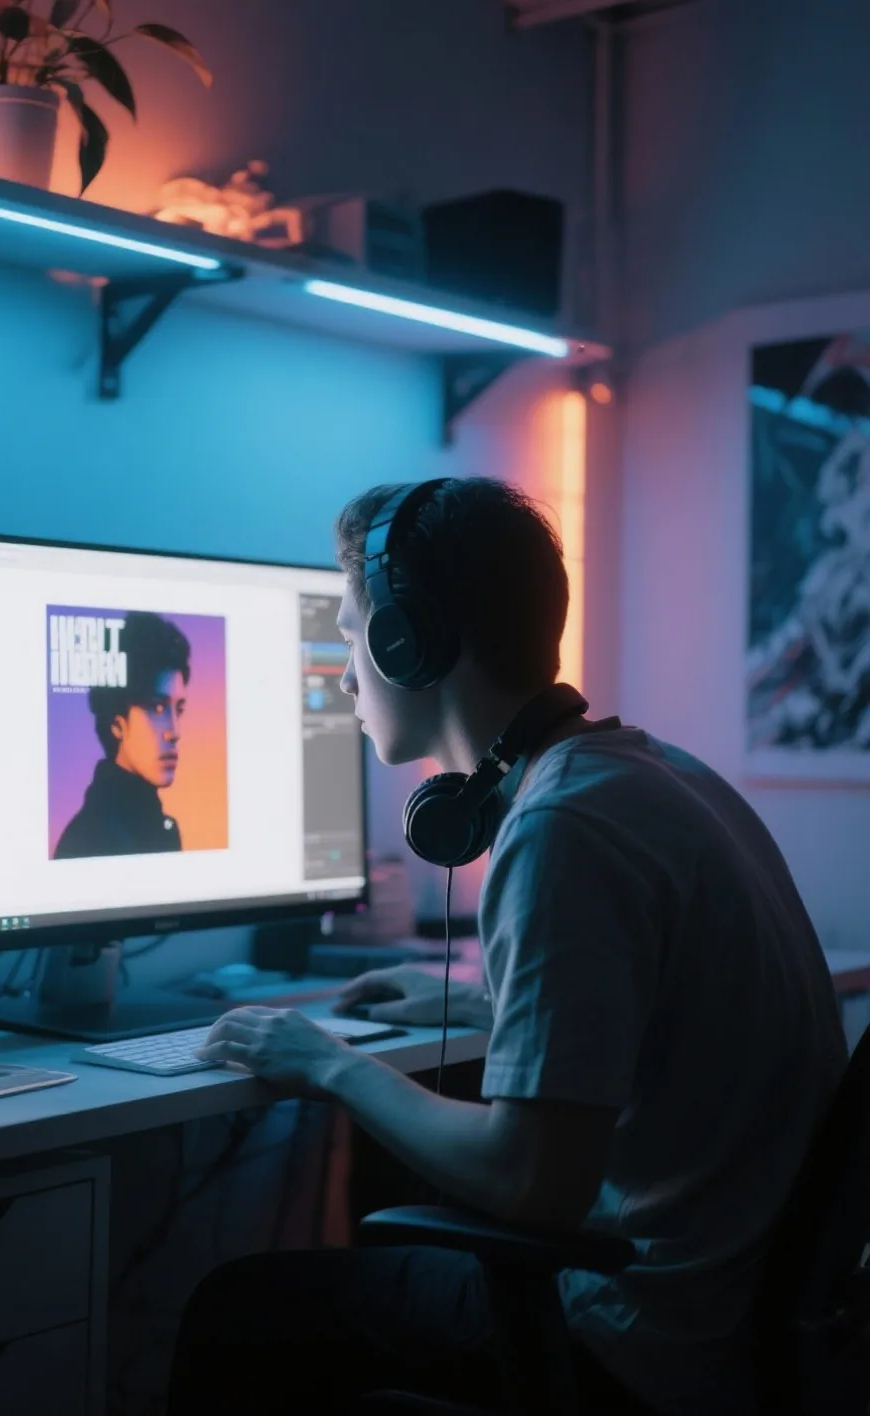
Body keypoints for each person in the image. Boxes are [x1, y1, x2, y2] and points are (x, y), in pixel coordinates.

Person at [166, 477, 848, 1415]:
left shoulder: (563, 823)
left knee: (234, 1311)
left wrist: (327, 1064)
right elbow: (665, 1016)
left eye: (350, 631)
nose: (342, 668)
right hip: (737, 1320)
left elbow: (535, 1185)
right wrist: (483, 1003)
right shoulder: (655, 776)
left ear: (410, 642)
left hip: (640, 1342)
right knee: (389, 1187)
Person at [53, 611, 189, 859]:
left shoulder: (161, 829)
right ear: (117, 724)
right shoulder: (93, 838)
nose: (175, 732)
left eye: (178, 709)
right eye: (157, 707)